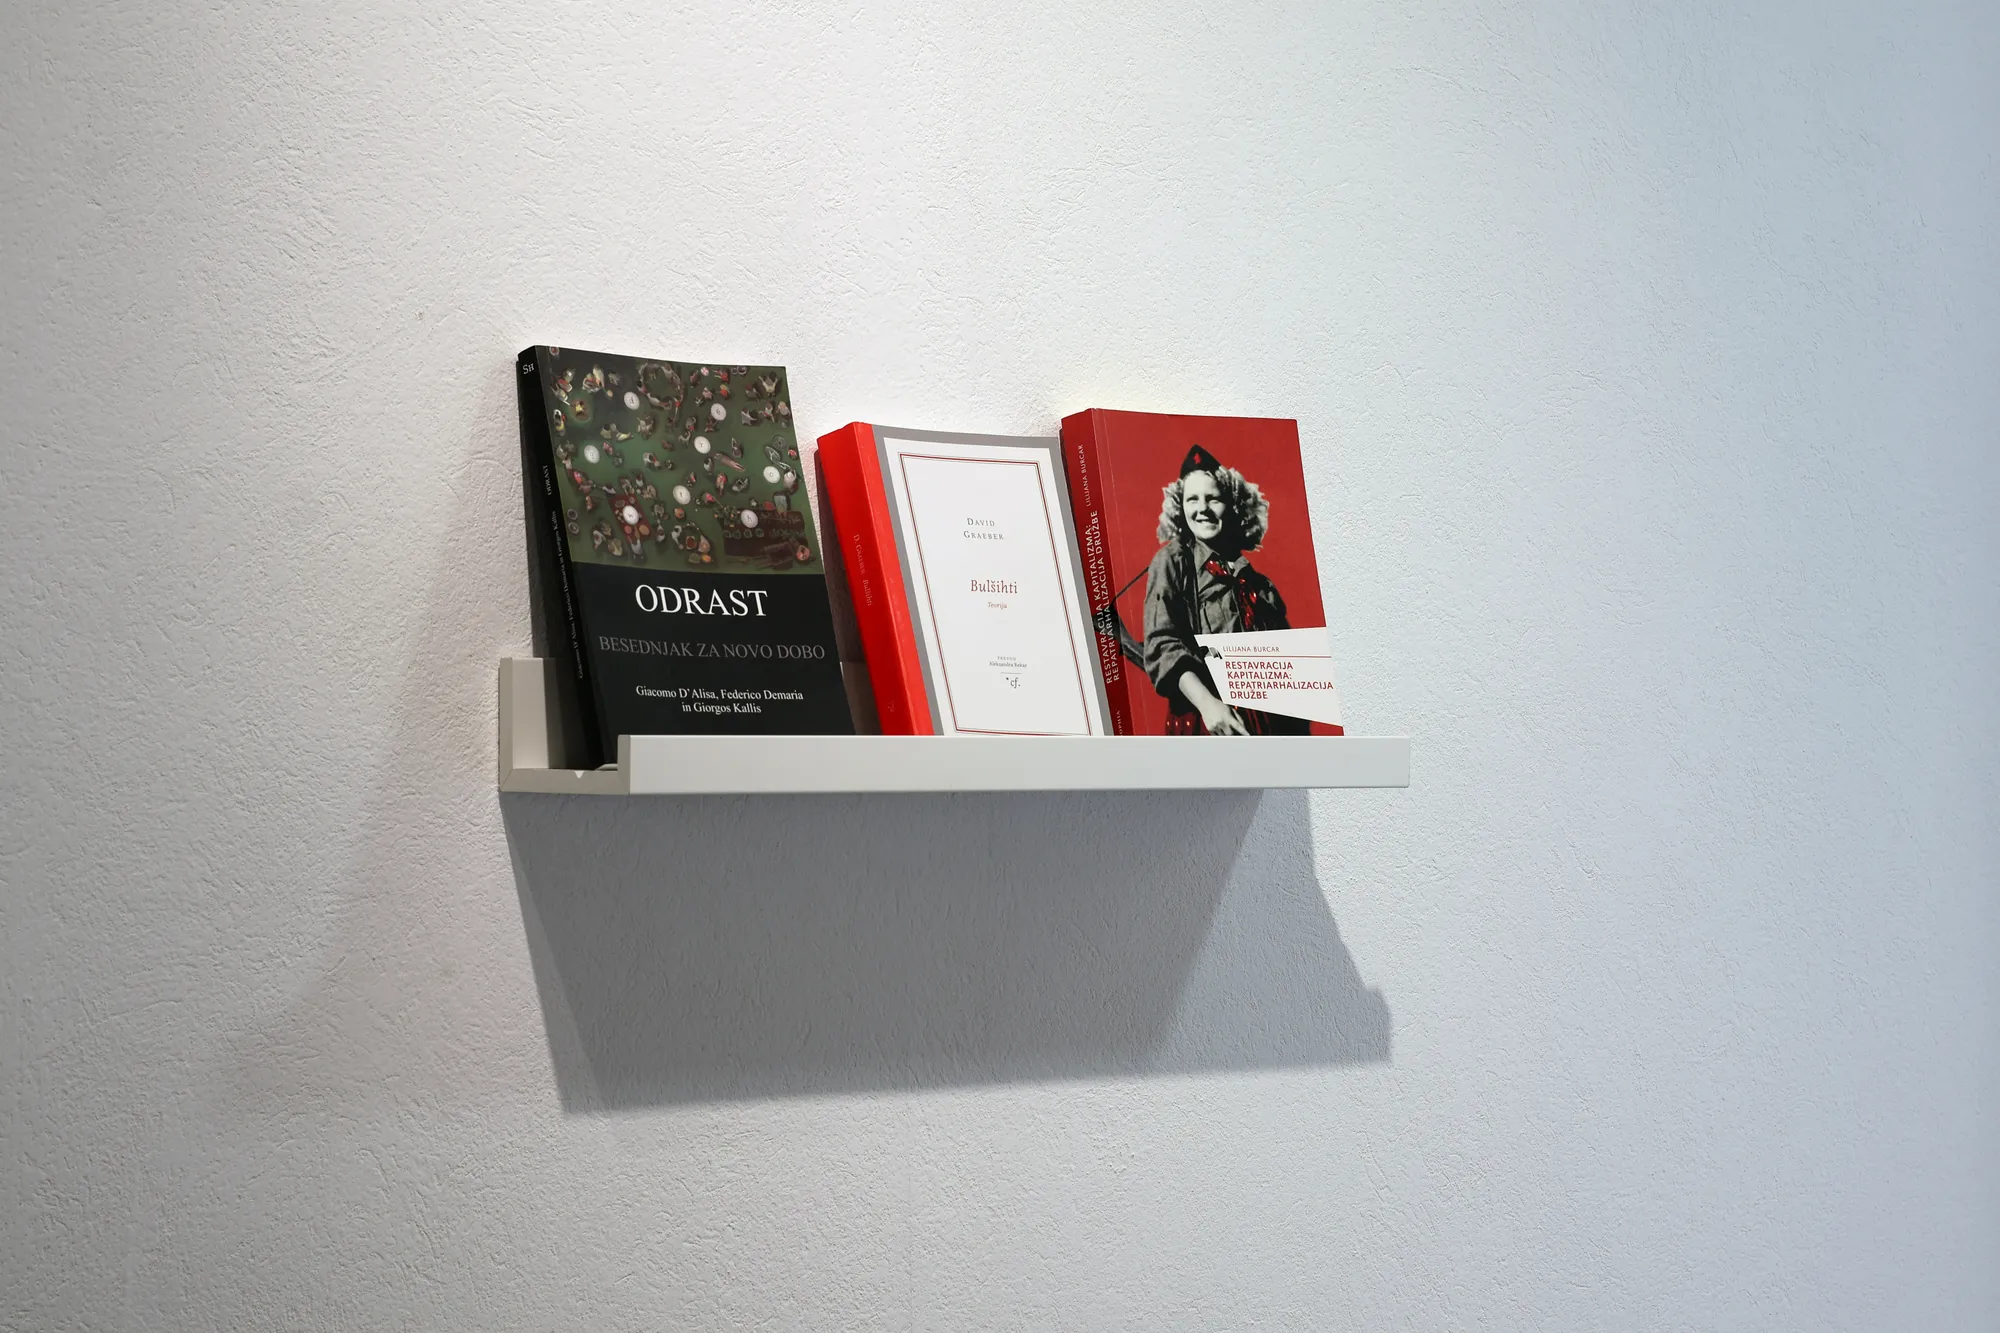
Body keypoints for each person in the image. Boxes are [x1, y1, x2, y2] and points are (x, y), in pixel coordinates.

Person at [1140, 445, 1307, 736]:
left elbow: (1287, 674)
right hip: (1206, 726)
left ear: (1233, 506)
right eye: (1192, 499)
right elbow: (1162, 645)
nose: (1202, 508)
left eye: (1213, 498)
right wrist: (1208, 705)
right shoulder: (1172, 563)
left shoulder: (1259, 585)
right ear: (1180, 507)